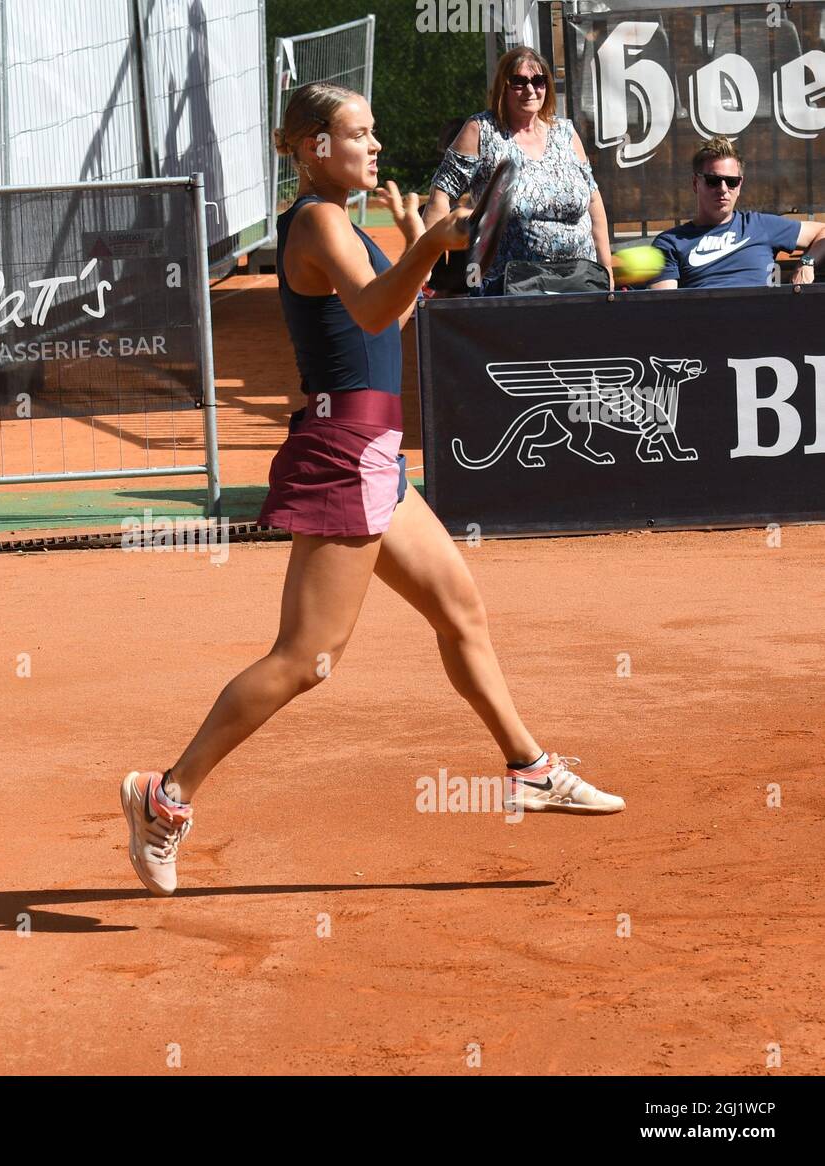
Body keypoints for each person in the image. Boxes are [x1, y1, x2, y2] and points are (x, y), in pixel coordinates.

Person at [121, 82, 626, 898]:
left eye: (374, 130)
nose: (376, 146)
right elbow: (367, 311)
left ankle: (528, 768)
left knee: (459, 607)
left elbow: (382, 323)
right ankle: (165, 796)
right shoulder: (318, 221)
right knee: (306, 660)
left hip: (375, 451)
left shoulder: (342, 223)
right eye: (360, 133)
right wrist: (428, 247)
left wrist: (413, 243)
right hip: (344, 450)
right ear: (316, 146)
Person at [424, 47, 612, 296]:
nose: (531, 90)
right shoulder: (481, 130)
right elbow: (441, 194)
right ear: (503, 86)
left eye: (538, 81)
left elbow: (593, 199)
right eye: (518, 82)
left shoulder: (565, 132)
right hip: (509, 288)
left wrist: (606, 269)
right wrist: (422, 263)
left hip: (578, 282)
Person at [648, 136, 825, 290]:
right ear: (695, 184)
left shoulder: (761, 225)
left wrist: (807, 262)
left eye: (731, 181)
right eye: (713, 181)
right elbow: (665, 306)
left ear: (739, 185)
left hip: (765, 321)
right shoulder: (670, 242)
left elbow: (822, 232)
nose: (723, 189)